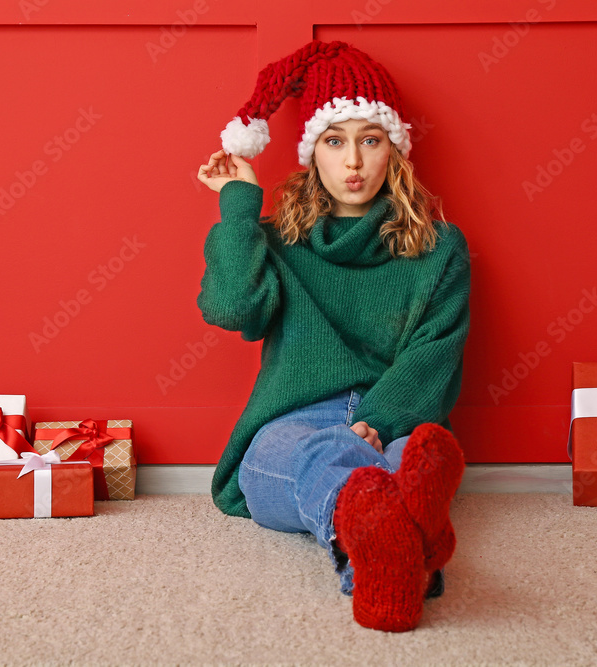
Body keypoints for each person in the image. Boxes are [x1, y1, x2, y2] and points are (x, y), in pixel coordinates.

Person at [195, 39, 471, 632]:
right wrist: (238, 204)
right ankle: (402, 542)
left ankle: (373, 558)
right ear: (311, 154)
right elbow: (230, 308)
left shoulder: (441, 249)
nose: (353, 161)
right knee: (316, 457)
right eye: (334, 140)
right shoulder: (277, 242)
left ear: (393, 151)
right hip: (294, 423)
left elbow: (435, 352)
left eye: (370, 140)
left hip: (396, 419)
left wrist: (380, 418)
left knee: (406, 456)